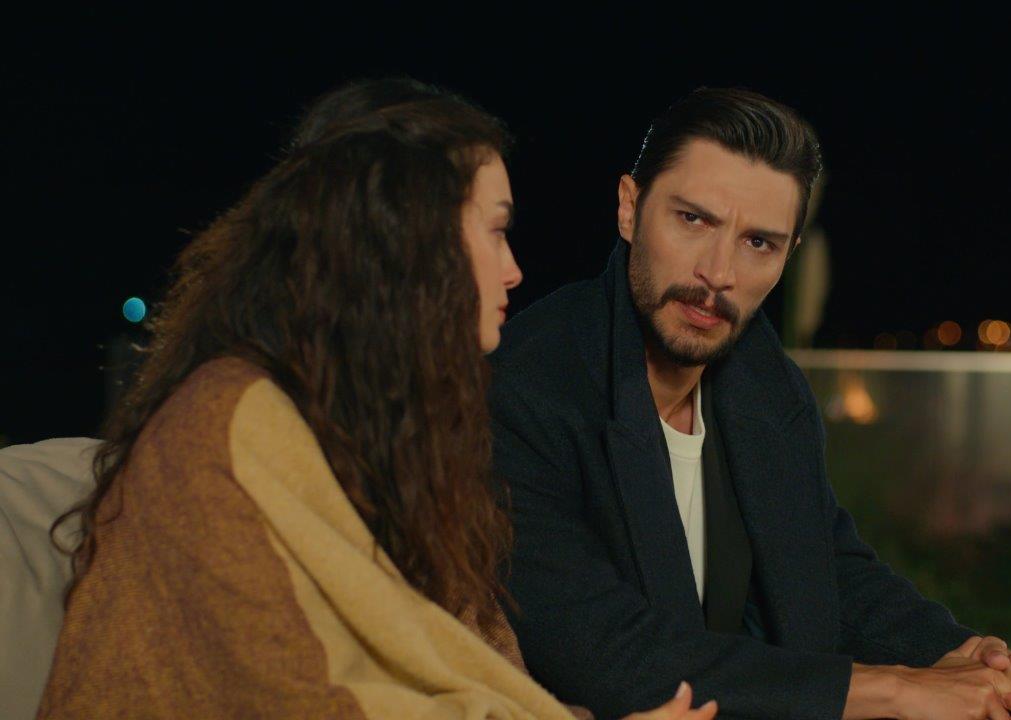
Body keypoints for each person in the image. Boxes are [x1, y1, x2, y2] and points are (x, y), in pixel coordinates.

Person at [37, 79, 717, 720]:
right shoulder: (224, 422)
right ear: (408, 241)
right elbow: (291, 693)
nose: (513, 269)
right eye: (495, 230)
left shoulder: (404, 448)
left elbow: (476, 673)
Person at [489, 87, 1011, 720]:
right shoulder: (526, 389)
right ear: (630, 208)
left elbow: (827, 570)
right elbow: (605, 652)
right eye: (693, 220)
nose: (719, 272)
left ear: (788, 256)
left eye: (758, 243)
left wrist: (965, 657)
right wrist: (895, 688)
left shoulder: (762, 382)